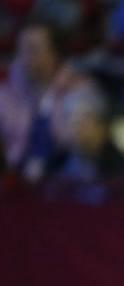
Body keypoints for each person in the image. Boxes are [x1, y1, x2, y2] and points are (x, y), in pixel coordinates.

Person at [0, 20, 93, 182]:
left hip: (66, 183)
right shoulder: (3, 96)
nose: (25, 57)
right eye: (21, 50)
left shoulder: (78, 90)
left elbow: (88, 144)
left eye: (33, 49)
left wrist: (83, 137)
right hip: (14, 182)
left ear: (54, 54)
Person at [39, 84, 124, 201]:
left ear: (103, 127)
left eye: (84, 120)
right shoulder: (56, 163)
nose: (77, 128)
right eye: (72, 120)